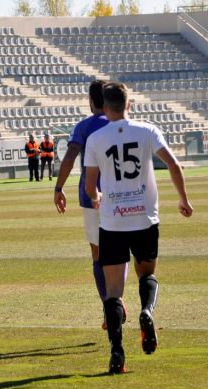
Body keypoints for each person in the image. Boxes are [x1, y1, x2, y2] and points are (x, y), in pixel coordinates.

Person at [84, 82, 193, 374]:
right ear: (129, 104)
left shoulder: (95, 139)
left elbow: (89, 185)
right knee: (148, 274)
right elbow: (173, 165)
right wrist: (183, 200)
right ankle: (147, 311)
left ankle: (117, 352)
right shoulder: (147, 130)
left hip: (112, 221)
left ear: (104, 108)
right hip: (144, 218)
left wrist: (96, 199)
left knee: (114, 290)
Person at [54, 80, 128, 330]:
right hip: (121, 196)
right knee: (120, 253)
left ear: (91, 101)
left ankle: (109, 307)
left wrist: (58, 187)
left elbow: (70, 155)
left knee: (98, 256)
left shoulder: (84, 127)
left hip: (91, 197)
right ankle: (118, 299)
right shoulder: (120, 123)